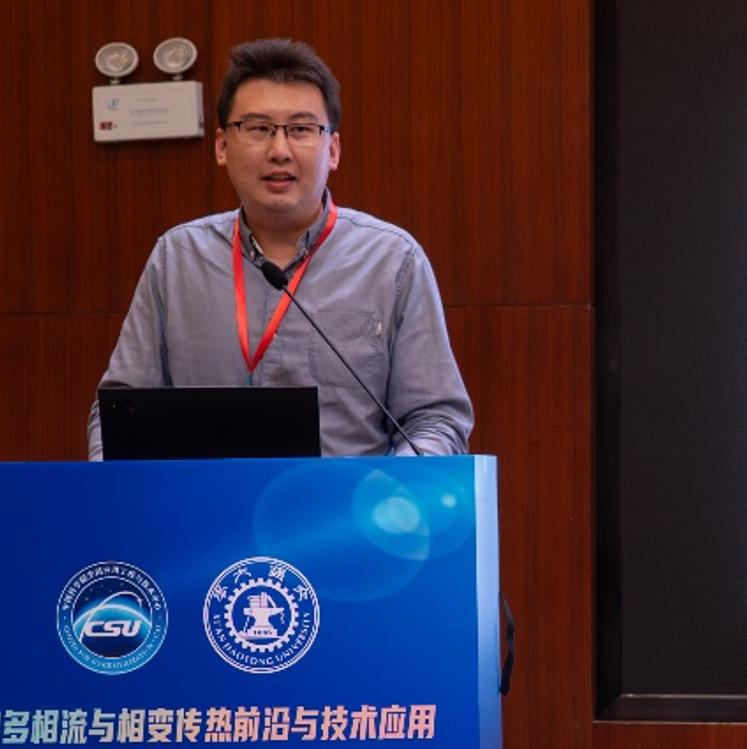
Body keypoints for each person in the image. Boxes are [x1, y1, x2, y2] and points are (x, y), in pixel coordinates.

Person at [87, 38, 473, 459]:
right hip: (208, 500)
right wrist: (116, 483)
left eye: (301, 129)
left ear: (333, 150)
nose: (279, 151)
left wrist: (389, 490)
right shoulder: (177, 259)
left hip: (346, 500)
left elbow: (435, 420)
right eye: (258, 129)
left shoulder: (392, 261)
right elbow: (118, 413)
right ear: (222, 146)